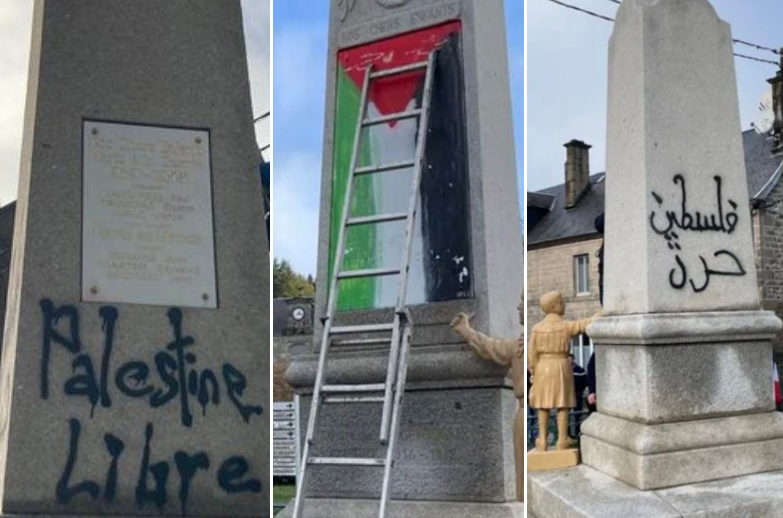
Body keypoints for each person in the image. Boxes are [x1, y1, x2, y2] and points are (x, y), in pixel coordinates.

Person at [450, 291, 525, 502]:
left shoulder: (523, 345)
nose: (518, 308)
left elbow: (491, 348)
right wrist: (467, 331)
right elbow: (491, 347)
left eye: (521, 303)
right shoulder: (518, 345)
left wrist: (466, 331)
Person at [528, 291, 597, 451]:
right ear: (553, 306)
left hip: (543, 367)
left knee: (542, 404)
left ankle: (543, 439)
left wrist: (533, 372)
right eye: (561, 302)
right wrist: (597, 316)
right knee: (562, 404)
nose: (564, 305)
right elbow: (583, 325)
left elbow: (531, 355)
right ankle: (562, 439)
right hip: (561, 365)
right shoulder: (565, 325)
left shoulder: (536, 329)